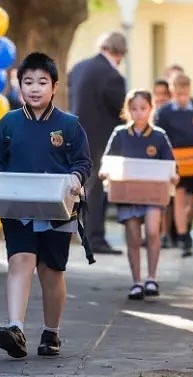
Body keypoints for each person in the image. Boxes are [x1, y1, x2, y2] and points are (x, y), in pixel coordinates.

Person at [0, 53, 94, 359]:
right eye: (28, 82)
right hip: (17, 207)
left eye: (42, 82)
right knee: (20, 261)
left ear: (54, 86)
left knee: (51, 271)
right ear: (19, 87)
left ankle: (51, 332)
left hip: (58, 209)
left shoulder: (70, 126)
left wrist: (76, 176)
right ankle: (15, 329)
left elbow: (84, 162)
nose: (35, 88)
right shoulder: (8, 123)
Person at [100, 89, 178, 300]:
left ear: (151, 109)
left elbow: (171, 164)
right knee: (133, 236)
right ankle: (137, 281)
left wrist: (173, 176)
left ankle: (152, 277)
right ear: (128, 111)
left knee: (153, 231)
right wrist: (105, 171)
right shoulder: (120, 134)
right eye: (133, 109)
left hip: (152, 193)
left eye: (143, 108)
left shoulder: (159, 136)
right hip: (128, 193)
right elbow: (108, 160)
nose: (139, 113)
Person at [68, 32, 128, 255]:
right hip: (101, 138)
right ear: (120, 53)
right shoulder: (112, 76)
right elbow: (123, 109)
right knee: (96, 188)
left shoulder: (78, 68)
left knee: (80, 185)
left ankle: (78, 231)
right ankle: (95, 238)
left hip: (77, 133)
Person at [155, 74, 193, 258]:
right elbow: (159, 135)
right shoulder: (164, 112)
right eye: (179, 94)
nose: (182, 98)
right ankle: (182, 237)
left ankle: (186, 226)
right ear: (172, 92)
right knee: (179, 197)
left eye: (185, 94)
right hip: (175, 161)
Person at [151, 78, 177, 248]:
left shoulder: (171, 114)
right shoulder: (149, 113)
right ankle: (153, 234)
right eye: (157, 94)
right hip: (151, 162)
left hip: (167, 161)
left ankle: (166, 234)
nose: (160, 98)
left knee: (167, 199)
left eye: (164, 94)